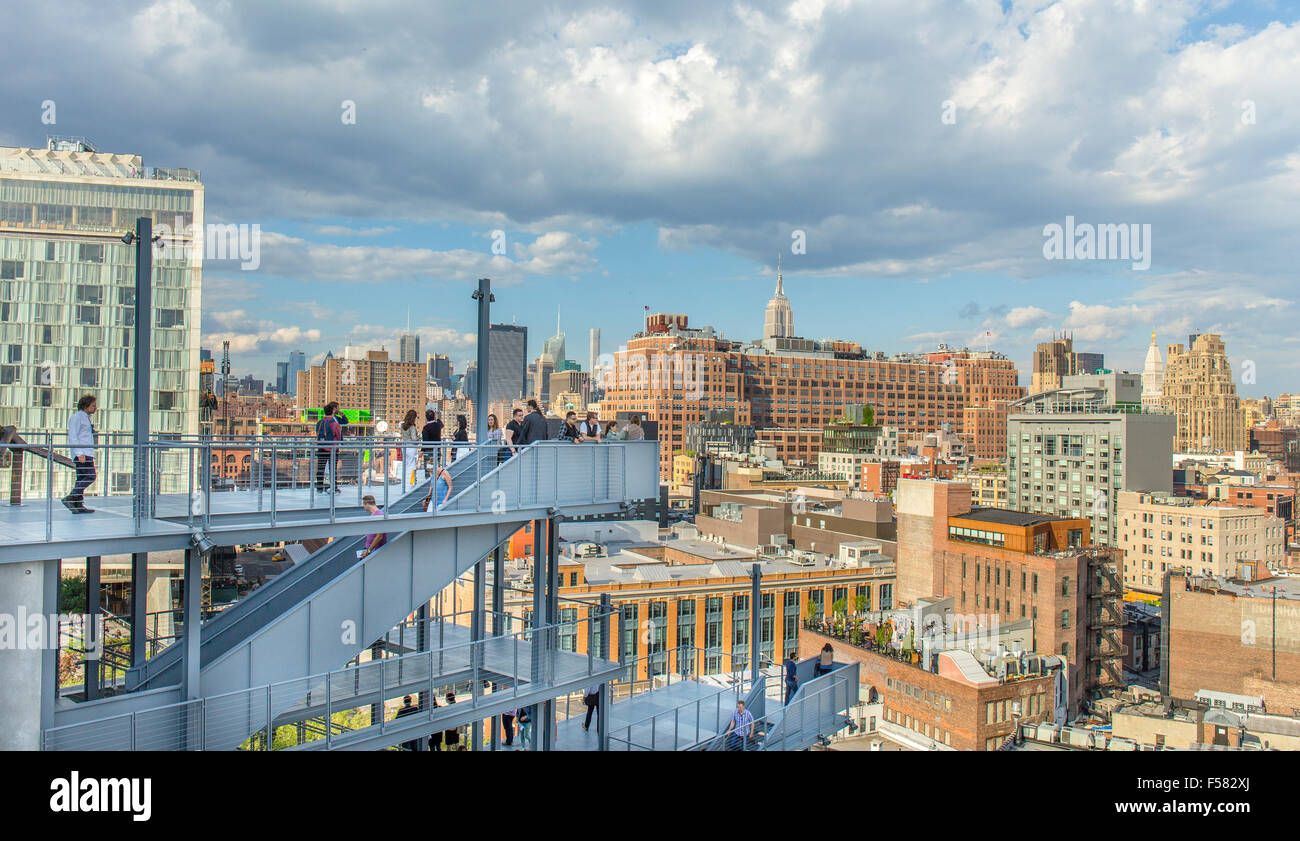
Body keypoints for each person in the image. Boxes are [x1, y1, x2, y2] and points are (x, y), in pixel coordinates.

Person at [64, 394, 98, 514]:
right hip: (82, 453)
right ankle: (71, 497)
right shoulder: (77, 417)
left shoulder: (86, 418)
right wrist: (79, 453)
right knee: (91, 476)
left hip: (87, 452)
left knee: (81, 478)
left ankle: (78, 504)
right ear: (85, 405)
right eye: (93, 406)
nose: (95, 408)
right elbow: (73, 436)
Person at [314, 402, 343, 493]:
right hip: (332, 449)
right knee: (333, 469)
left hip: (321, 447)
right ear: (333, 412)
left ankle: (319, 487)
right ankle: (333, 487)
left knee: (320, 468)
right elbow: (339, 437)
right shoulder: (334, 424)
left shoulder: (319, 422)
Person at [399, 409, 421, 489]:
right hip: (411, 447)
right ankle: (411, 484)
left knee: (406, 465)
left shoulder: (402, 426)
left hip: (404, 447)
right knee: (412, 466)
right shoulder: (412, 427)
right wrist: (418, 437)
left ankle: (405, 483)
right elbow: (414, 438)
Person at [420, 409, 444, 478]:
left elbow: (425, 441)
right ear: (434, 417)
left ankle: (429, 483)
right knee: (437, 468)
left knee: (429, 469)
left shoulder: (426, 428)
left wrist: (422, 450)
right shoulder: (437, 425)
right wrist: (436, 418)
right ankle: (438, 482)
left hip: (429, 451)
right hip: (437, 450)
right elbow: (442, 424)